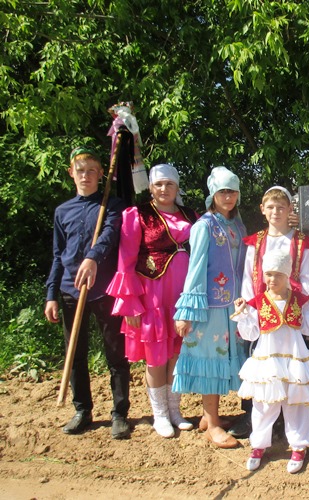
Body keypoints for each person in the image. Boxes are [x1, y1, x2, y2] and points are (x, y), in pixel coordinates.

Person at [45, 146, 131, 439]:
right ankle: (82, 410)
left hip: (105, 289)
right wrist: (51, 294)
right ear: (71, 173)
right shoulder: (62, 211)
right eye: (80, 170)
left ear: (101, 174)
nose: (86, 176)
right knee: (76, 353)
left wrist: (93, 257)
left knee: (116, 353)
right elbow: (58, 254)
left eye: (91, 170)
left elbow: (109, 235)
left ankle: (120, 413)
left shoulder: (113, 205)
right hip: (70, 289)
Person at [107, 164, 198, 438]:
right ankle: (160, 414)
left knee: (177, 354)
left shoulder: (190, 215)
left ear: (177, 187)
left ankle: (174, 410)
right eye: (158, 184)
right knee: (156, 357)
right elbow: (126, 260)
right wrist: (130, 303)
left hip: (182, 296)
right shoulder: (137, 215)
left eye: (169, 184)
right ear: (150, 187)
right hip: (153, 296)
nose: (164, 189)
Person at [233, 250, 309, 473]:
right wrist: (243, 314)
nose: (272, 279)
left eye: (278, 274)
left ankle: (298, 445)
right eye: (268, 274)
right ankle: (258, 445)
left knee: (296, 401)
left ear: (287, 276)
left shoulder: (299, 300)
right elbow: (250, 334)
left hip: (295, 357)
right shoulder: (257, 302)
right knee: (264, 403)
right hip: (268, 358)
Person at [172, 166, 247, 449]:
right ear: (213, 194)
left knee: (224, 361)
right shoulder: (203, 226)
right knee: (211, 363)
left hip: (234, 307)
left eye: (232, 191)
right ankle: (213, 425)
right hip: (210, 307)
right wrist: (187, 312)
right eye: (223, 191)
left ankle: (208, 416)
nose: (228, 196)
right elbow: (195, 269)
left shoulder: (237, 226)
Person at [242, 186, 309, 300]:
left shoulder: (301, 242)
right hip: (262, 304)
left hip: (292, 304)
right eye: (270, 207)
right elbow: (248, 277)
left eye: (281, 207)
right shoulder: (255, 242)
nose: (275, 212)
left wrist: (300, 304)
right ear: (262, 209)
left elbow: (306, 278)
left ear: (290, 209)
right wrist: (251, 305)